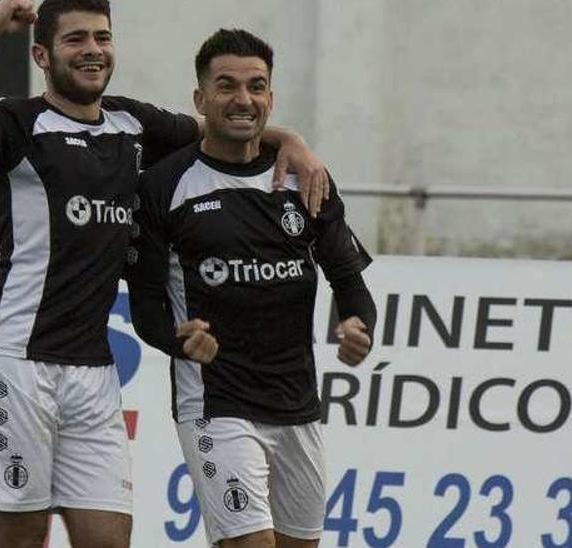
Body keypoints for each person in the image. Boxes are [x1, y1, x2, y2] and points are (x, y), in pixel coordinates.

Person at [0, 1, 330, 546]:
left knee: (109, 539)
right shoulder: (18, 122)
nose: (92, 49)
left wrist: (291, 141)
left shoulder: (133, 123)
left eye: (102, 37)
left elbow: (224, 125)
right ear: (42, 55)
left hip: (93, 371)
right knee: (21, 539)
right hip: (14, 362)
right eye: (75, 40)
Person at [126, 29, 376, 548]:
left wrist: (358, 326)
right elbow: (147, 309)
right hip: (216, 403)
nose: (243, 100)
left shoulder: (306, 180)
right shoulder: (164, 186)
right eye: (227, 86)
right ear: (201, 99)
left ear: (270, 97)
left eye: (256, 87)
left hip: (297, 404)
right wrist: (180, 340)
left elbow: (350, 283)